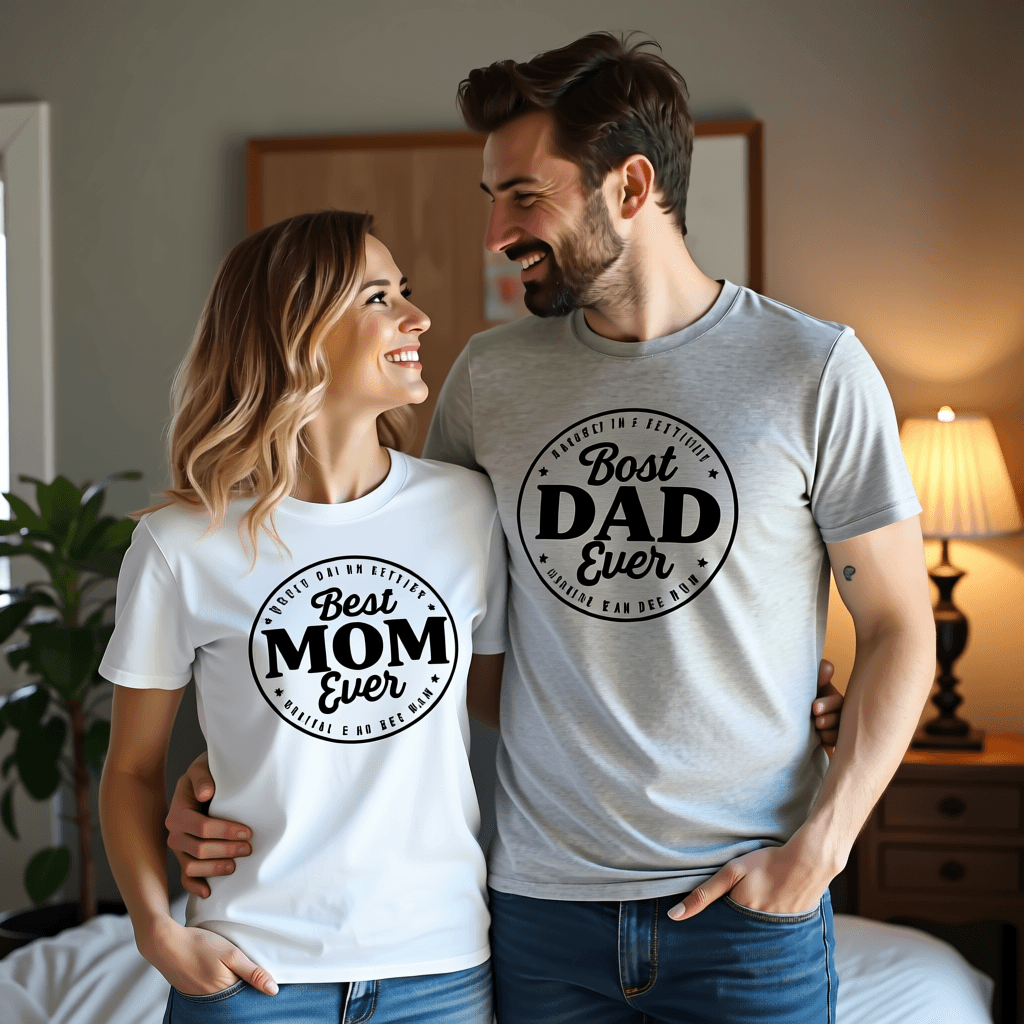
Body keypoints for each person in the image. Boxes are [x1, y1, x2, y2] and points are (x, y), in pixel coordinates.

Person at [163, 32, 915, 1024]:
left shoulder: (812, 369)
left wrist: (821, 847)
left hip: (745, 908)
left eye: (524, 196)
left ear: (631, 185)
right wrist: (239, 764)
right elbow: (398, 601)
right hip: (536, 910)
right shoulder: (488, 377)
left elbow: (901, 626)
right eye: (491, 200)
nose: (497, 235)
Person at [98, 211, 509, 1023]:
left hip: (439, 966)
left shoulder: (469, 508)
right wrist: (157, 933)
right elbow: (133, 771)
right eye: (379, 297)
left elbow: (513, 704)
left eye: (407, 293)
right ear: (300, 333)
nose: (417, 317)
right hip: (253, 971)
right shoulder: (182, 544)